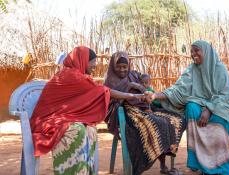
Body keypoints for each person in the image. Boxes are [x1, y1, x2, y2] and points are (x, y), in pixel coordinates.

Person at [30, 46, 144, 175]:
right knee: (76, 130)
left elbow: (95, 93)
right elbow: (103, 91)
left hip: (61, 117)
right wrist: (131, 96)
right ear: (82, 60)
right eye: (93, 63)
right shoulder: (72, 76)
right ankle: (70, 171)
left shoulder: (77, 75)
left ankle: (84, 171)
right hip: (47, 121)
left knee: (90, 129)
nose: (94, 67)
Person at [146, 40, 229, 175]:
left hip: (222, 106)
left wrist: (209, 110)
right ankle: (201, 163)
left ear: (206, 51)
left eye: (197, 50)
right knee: (191, 107)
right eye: (191, 51)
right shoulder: (192, 69)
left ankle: (219, 165)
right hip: (202, 104)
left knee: (219, 118)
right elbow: (178, 90)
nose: (193, 54)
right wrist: (155, 96)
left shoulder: (219, 68)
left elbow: (226, 95)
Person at [104, 51, 186, 175]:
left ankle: (164, 166)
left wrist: (137, 86)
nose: (122, 70)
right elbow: (111, 106)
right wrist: (128, 89)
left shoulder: (134, 75)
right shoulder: (110, 81)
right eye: (119, 67)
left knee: (173, 120)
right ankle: (158, 165)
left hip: (145, 109)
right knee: (156, 124)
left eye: (125, 67)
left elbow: (146, 87)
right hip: (126, 114)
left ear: (129, 66)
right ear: (113, 66)